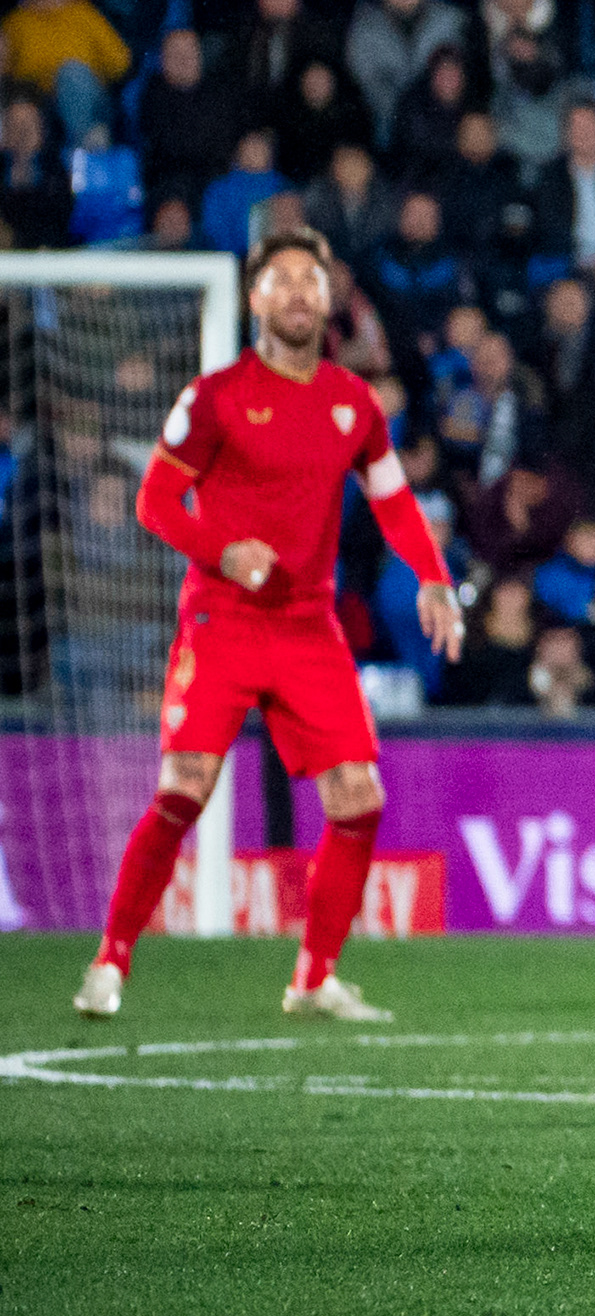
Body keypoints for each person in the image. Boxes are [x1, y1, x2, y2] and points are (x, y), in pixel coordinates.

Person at [76, 230, 461, 1022]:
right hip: (221, 618)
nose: (295, 292)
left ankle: (313, 978)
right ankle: (110, 958)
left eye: (309, 279)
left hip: (308, 625)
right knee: (185, 785)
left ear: (328, 298)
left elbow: (392, 498)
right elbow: (154, 500)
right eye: (279, 279)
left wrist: (433, 575)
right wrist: (223, 550)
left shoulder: (353, 403)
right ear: (255, 299)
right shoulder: (215, 396)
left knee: (359, 798)